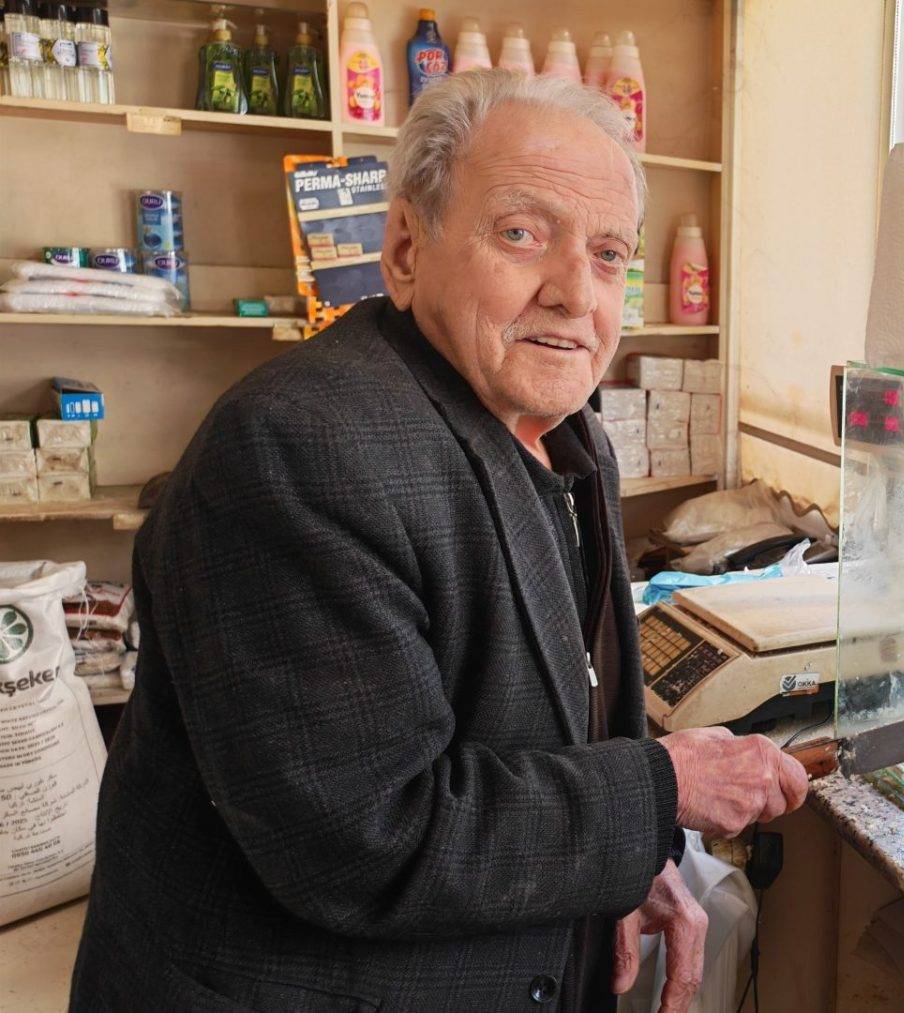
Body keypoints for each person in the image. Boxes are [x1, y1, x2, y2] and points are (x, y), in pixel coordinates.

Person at [70, 71, 809, 1012]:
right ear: (406, 250)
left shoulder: (570, 436)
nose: (575, 294)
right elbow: (364, 836)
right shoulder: (300, 449)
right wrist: (658, 792)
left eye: (609, 254)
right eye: (521, 234)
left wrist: (624, 864)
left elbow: (545, 725)